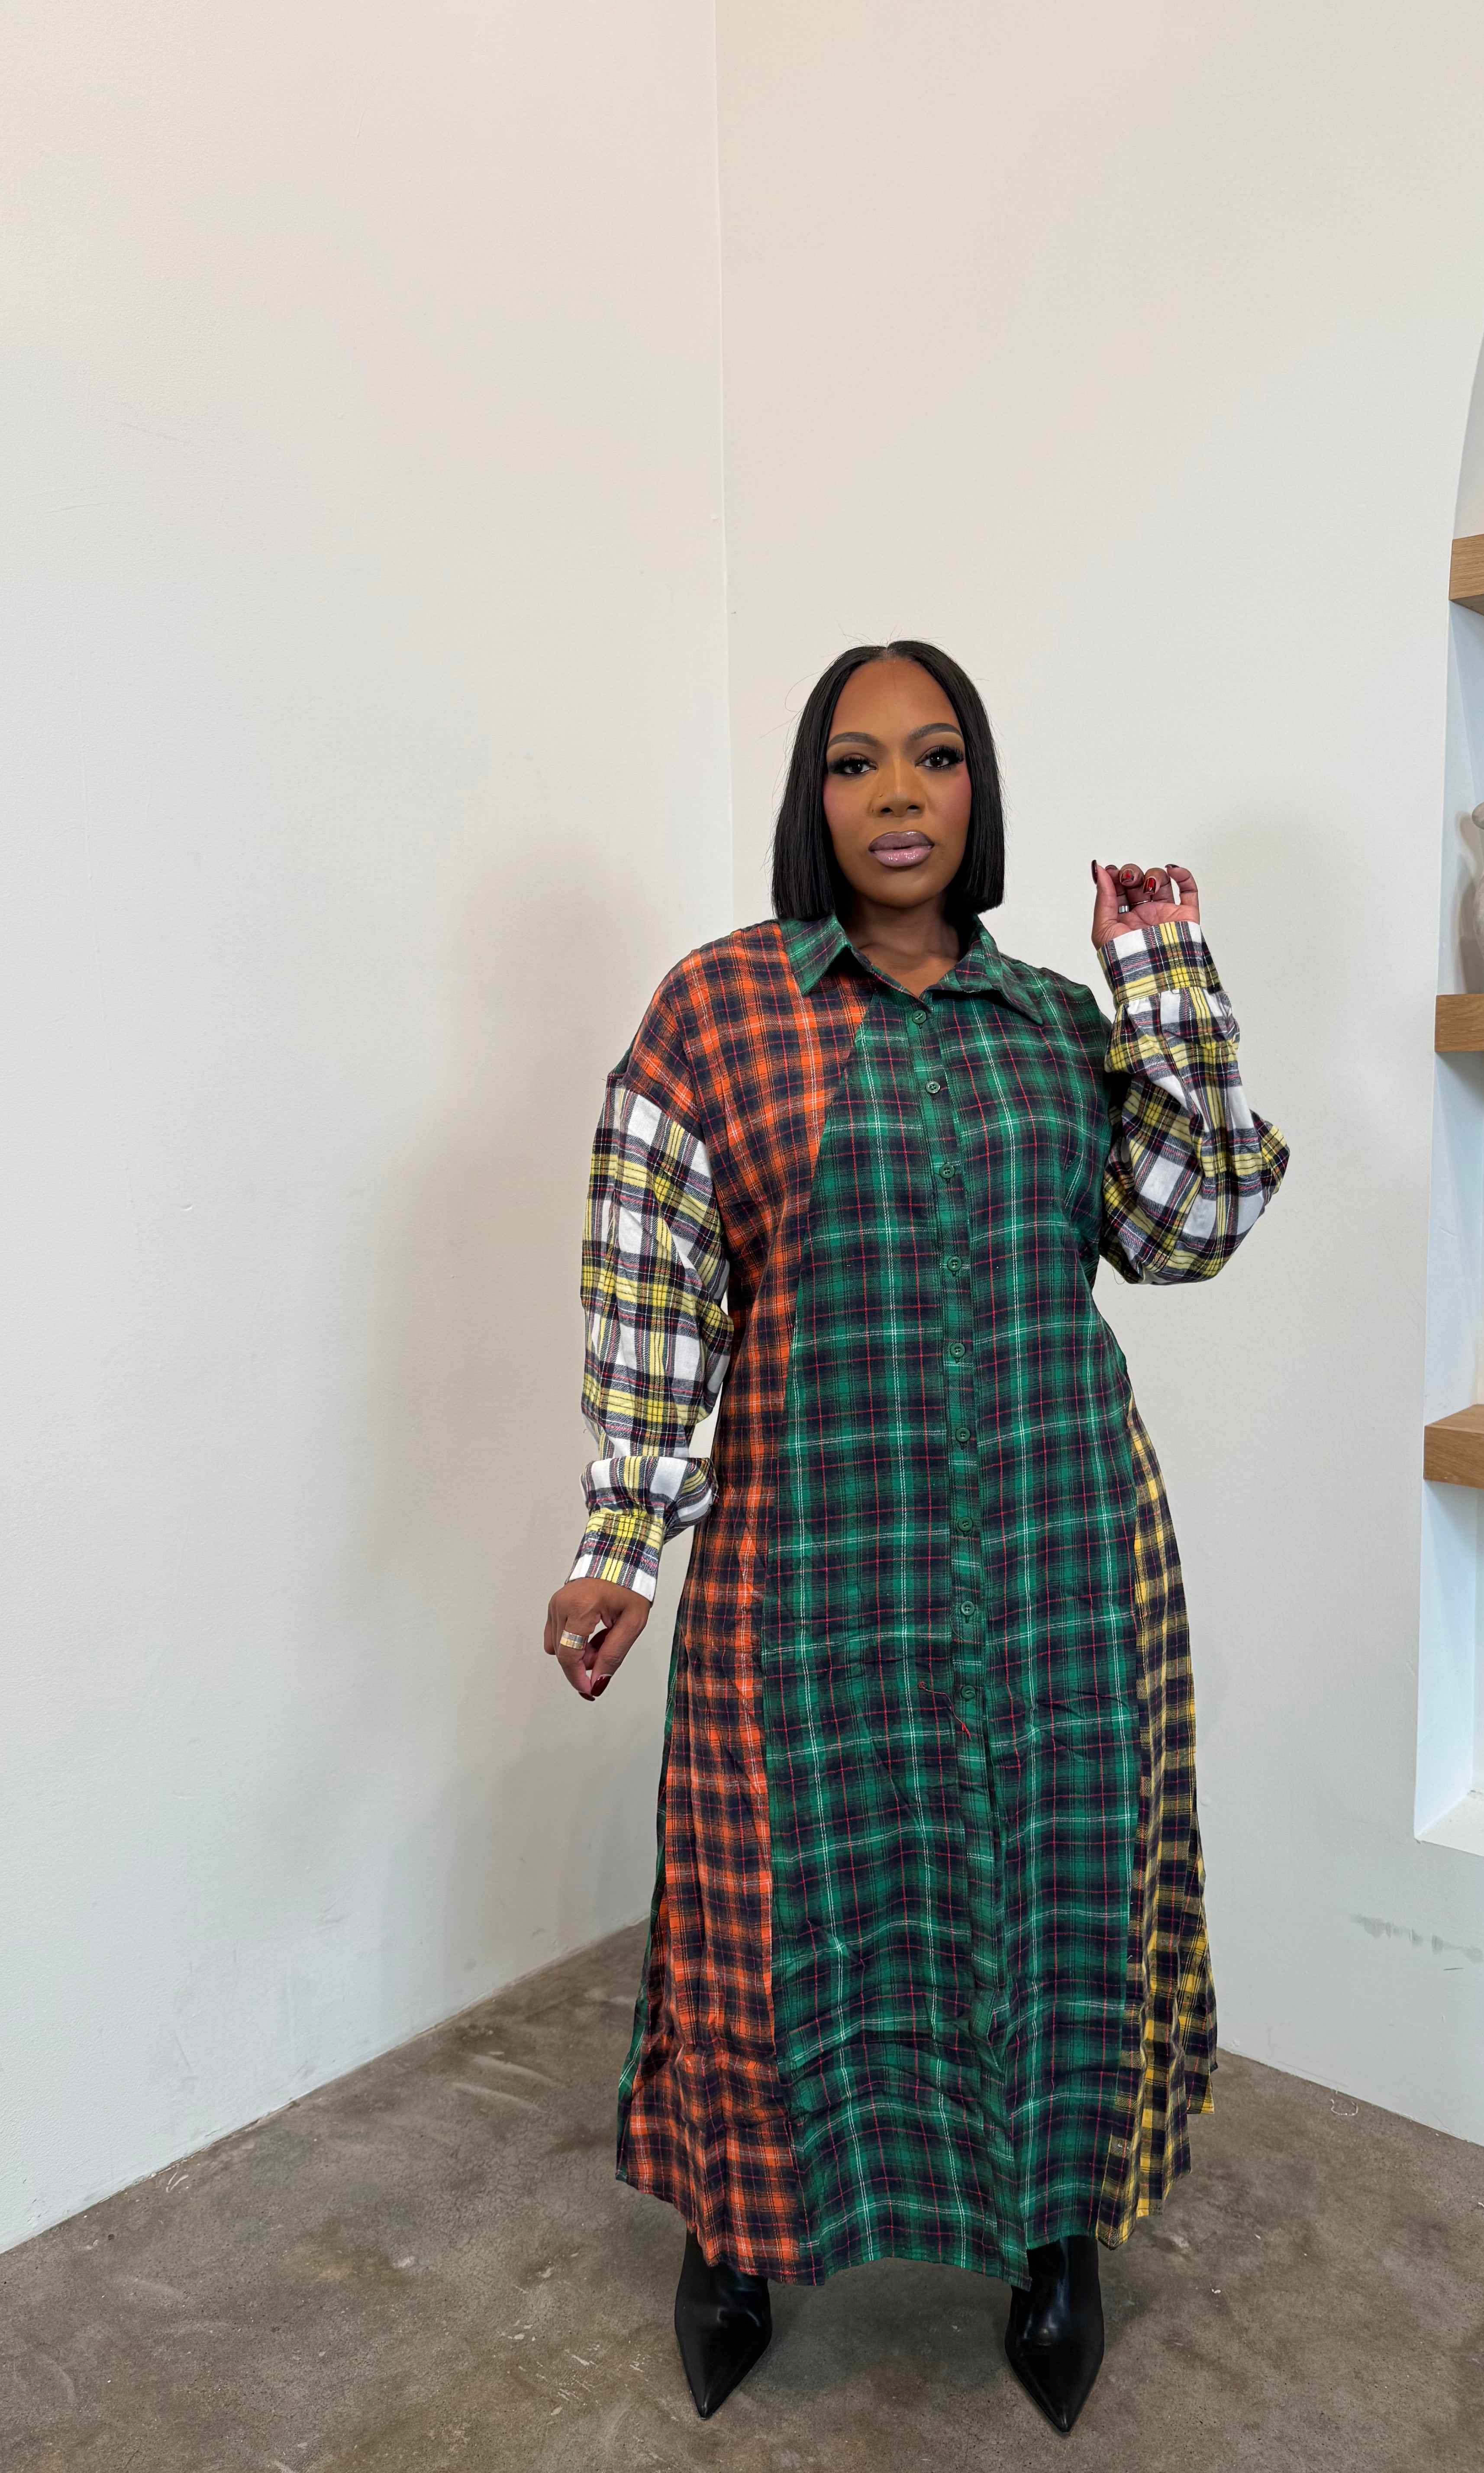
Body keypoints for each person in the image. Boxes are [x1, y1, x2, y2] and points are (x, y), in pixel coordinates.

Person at [543, 641, 1287, 2429]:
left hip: (1060, 1557)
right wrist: (621, 1542)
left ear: (978, 791)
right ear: (813, 798)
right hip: (806, 1562)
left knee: (1059, 1893)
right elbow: (653, 1293)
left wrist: (1165, 980)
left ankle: (1054, 2235)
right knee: (773, 1903)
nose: (898, 795)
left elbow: (1184, 1234)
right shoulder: (716, 1014)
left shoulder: (1058, 1023)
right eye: (857, 762)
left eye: (936, 758)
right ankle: (739, 2234)